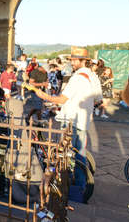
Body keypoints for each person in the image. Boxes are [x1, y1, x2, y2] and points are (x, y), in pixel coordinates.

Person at [34, 47, 96, 193]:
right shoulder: (92, 77)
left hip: (72, 120)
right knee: (79, 152)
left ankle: (74, 187)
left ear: (81, 61)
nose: (72, 63)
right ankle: (80, 185)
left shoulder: (77, 78)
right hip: (84, 119)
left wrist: (43, 96)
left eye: (74, 60)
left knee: (69, 154)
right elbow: (98, 99)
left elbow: (62, 99)